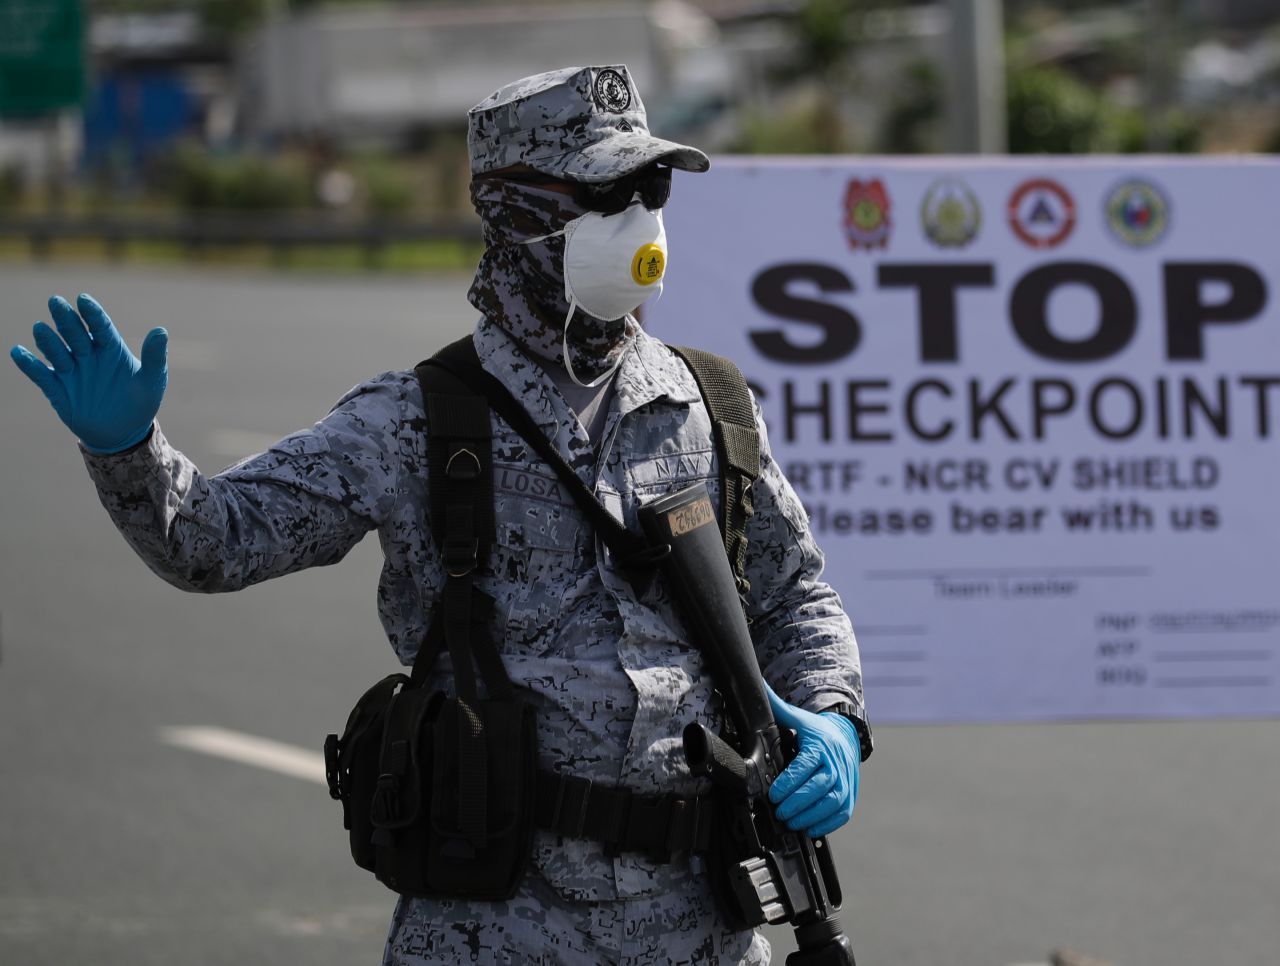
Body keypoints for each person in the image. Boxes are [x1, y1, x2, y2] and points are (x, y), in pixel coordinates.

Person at [9, 65, 870, 965]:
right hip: (493, 929)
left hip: (706, 931)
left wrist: (836, 721)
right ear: (512, 212)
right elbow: (212, 542)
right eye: (606, 192)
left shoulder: (709, 404)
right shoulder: (416, 420)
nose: (640, 218)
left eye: (650, 188)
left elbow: (796, 597)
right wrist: (126, 450)